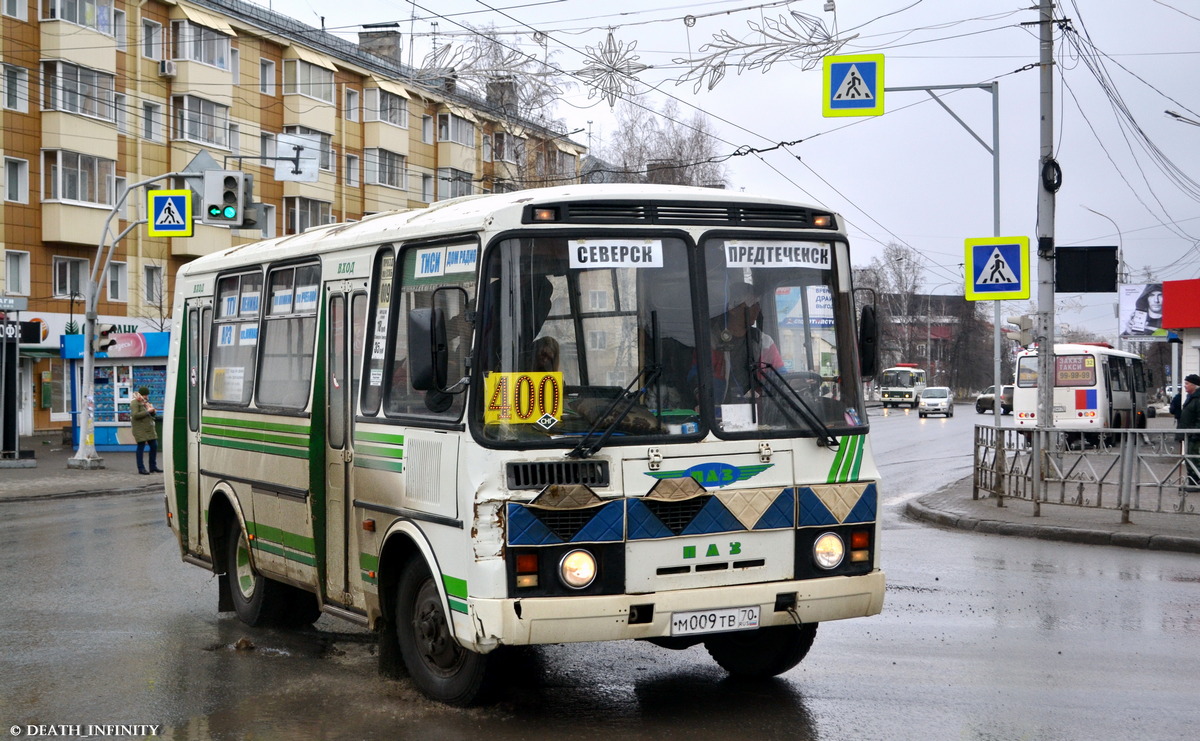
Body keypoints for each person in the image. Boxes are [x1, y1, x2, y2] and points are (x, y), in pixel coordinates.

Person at [707, 281, 783, 404]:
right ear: (733, 309)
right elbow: (699, 382)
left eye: (758, 304)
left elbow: (780, 378)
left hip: (754, 412)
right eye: (752, 304)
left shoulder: (763, 342)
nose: (758, 309)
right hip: (718, 412)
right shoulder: (710, 341)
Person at [1177, 374, 1200, 490]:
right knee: (1189, 458)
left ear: (1194, 385)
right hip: (1189, 435)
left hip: (1195, 436)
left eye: (1187, 384)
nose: (1184, 386)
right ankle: (1192, 481)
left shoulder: (1198, 399)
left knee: (1194, 458)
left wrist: (1195, 433)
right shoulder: (1191, 397)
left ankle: (1196, 482)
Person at [131, 386, 161, 475]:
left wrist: (152, 411)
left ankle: (153, 466)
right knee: (141, 447)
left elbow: (152, 415)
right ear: (141, 394)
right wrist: (147, 411)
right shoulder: (135, 403)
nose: (146, 397)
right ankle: (141, 468)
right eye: (145, 395)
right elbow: (135, 415)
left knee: (154, 445)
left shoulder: (145, 403)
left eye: (147, 395)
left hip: (149, 428)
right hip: (140, 429)